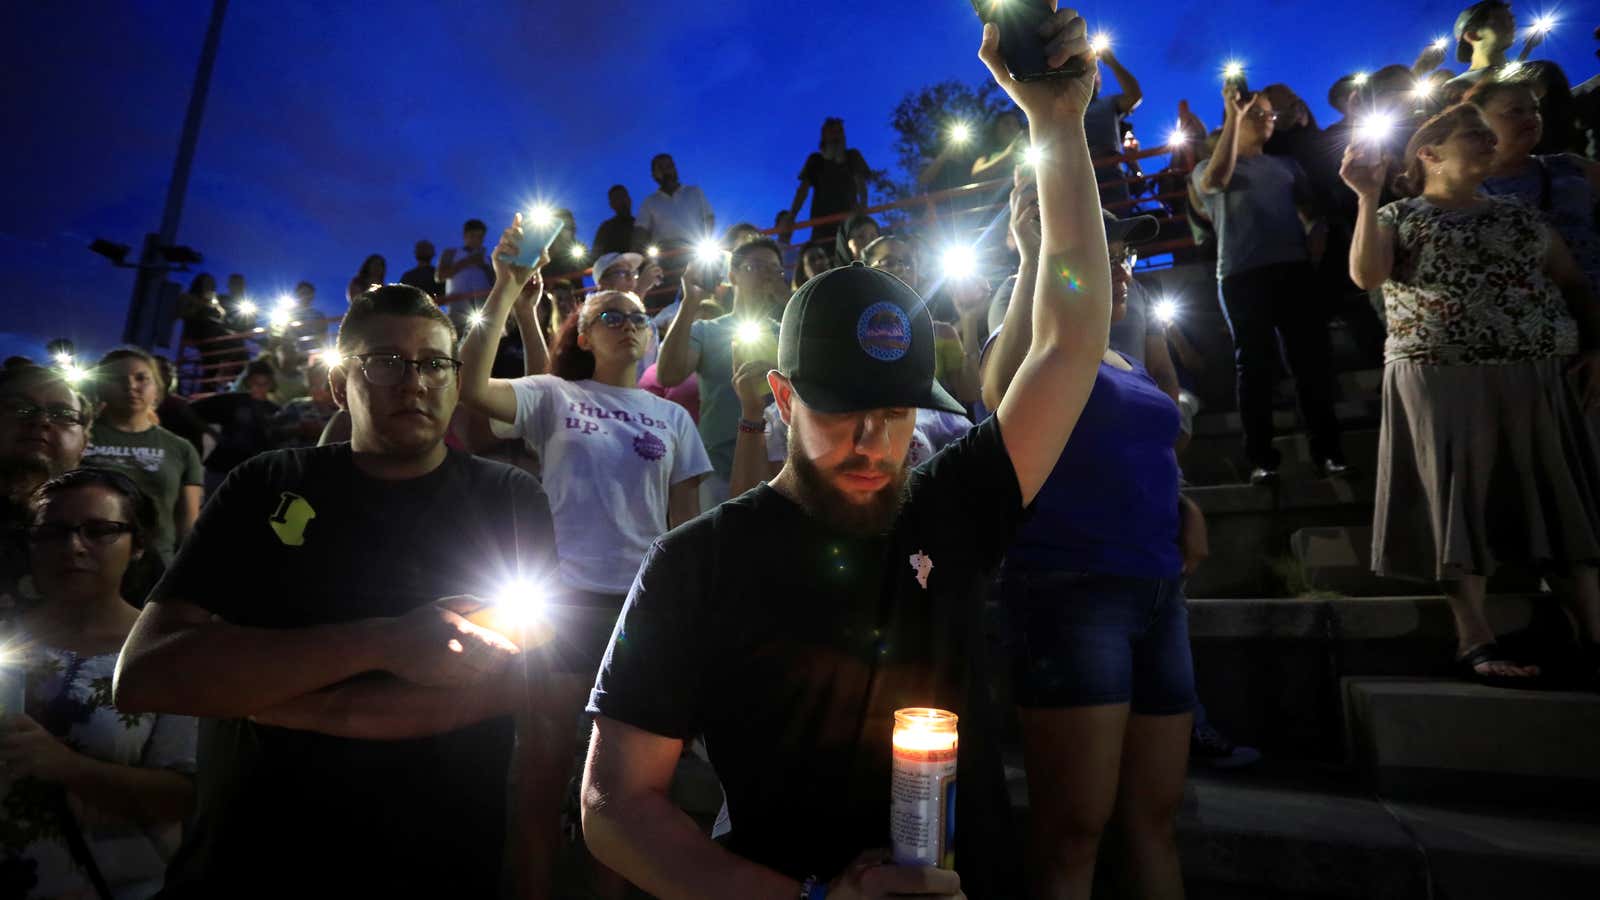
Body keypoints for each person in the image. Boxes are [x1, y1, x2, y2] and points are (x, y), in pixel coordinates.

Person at [579, 12, 1111, 899]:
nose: (873, 443)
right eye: (840, 413)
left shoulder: (949, 504)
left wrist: (1056, 127)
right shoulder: (697, 563)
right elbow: (612, 803)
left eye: (895, 413)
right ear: (782, 401)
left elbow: (1069, 342)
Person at [113, 284, 562, 898]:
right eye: (385, 362)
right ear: (335, 383)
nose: (415, 382)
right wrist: (389, 642)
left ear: (458, 379)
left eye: (435, 363)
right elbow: (147, 674)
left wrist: (277, 699)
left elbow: (529, 689)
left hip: (437, 862)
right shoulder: (266, 482)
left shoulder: (509, 499)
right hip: (251, 860)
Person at [982, 169, 1200, 900]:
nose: (1124, 267)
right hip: (1070, 591)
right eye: (1105, 251)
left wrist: (1184, 501)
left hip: (1157, 592)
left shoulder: (1130, 360)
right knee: (1073, 827)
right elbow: (1000, 389)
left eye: (1126, 253)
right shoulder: (1046, 347)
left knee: (1155, 817)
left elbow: (1156, 446)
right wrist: (1029, 253)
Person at [1342, 103, 1600, 689]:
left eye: (1489, 134)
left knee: (1560, 505)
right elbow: (1366, 276)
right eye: (1473, 136)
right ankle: (1474, 636)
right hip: (1441, 376)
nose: (1488, 142)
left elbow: (1572, 283)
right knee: (1456, 508)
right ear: (1428, 154)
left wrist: (1595, 347)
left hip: (1538, 373)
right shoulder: (1398, 214)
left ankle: (1593, 633)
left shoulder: (1519, 215)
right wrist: (1364, 194)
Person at [2, 468, 197, 898]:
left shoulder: (167, 653)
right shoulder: (4, 632)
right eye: (52, 532)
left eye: (99, 531)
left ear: (139, 544)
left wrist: (68, 768)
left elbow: (185, 796)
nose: (73, 547)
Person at [1191, 86, 1348, 483]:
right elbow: (1215, 181)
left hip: (1293, 271)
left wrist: (1314, 244)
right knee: (1254, 367)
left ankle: (1328, 452)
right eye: (1257, 113)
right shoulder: (1208, 165)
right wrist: (1233, 114)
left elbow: (1313, 215)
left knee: (1310, 363)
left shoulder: (1286, 166)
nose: (1267, 119)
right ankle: (1261, 458)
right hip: (1242, 276)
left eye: (1269, 115)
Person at [655, 238, 788, 506]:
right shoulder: (708, 330)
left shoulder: (790, 333)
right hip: (719, 466)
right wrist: (690, 301)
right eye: (756, 267)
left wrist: (789, 301)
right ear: (732, 276)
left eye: (774, 270)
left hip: (781, 465)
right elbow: (668, 374)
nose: (766, 275)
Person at [1472, 79, 1600, 296]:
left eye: (1535, 109)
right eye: (1515, 111)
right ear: (1477, 123)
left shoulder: (1571, 166)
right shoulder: (1464, 193)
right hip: (1536, 318)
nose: (1530, 117)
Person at [80, 349, 202, 565]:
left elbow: (188, 524)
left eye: (141, 378)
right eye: (117, 379)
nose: (131, 386)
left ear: (157, 387)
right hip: (84, 558)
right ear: (101, 387)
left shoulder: (181, 448)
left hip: (153, 567)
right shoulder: (78, 437)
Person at [0, 366, 91, 608]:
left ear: (85, 442)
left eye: (62, 414)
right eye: (19, 407)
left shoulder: (114, 530)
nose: (41, 421)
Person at [787, 117, 870, 243]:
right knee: (822, 256)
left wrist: (863, 209)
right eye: (833, 132)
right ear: (824, 136)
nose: (837, 136)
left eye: (840, 132)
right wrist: (792, 216)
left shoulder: (852, 156)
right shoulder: (815, 160)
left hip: (849, 222)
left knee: (850, 255)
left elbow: (861, 185)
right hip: (822, 224)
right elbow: (802, 191)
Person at [1083, 44, 1144, 203]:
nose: (1091, 76)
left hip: (1110, 172)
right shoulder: (1064, 108)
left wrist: (1112, 63)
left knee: (1116, 219)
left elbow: (1134, 96)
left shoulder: (1108, 103)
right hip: (1077, 170)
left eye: (1095, 73)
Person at [638, 154, 715, 273]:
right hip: (665, 259)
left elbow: (709, 219)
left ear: (675, 168)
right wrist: (640, 258)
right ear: (654, 175)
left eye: (669, 166)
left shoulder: (694, 192)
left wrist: (706, 241)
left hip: (694, 252)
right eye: (660, 168)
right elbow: (640, 231)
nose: (666, 171)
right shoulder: (649, 202)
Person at [1443, 1, 1517, 100]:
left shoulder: (1525, 76)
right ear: (1472, 35)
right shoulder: (1456, 88)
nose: (1512, 24)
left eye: (1511, 18)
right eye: (1500, 20)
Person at [438, 218, 495, 316]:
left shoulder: (489, 259)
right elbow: (439, 276)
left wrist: (484, 267)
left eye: (480, 237)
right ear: (465, 235)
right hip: (456, 308)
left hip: (484, 308)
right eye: (473, 236)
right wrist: (466, 262)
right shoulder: (450, 254)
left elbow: (495, 283)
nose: (476, 240)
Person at [593, 185, 647, 257]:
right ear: (611, 205)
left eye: (623, 197)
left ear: (629, 200)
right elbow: (595, 255)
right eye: (617, 199)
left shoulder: (640, 226)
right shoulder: (606, 228)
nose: (622, 201)